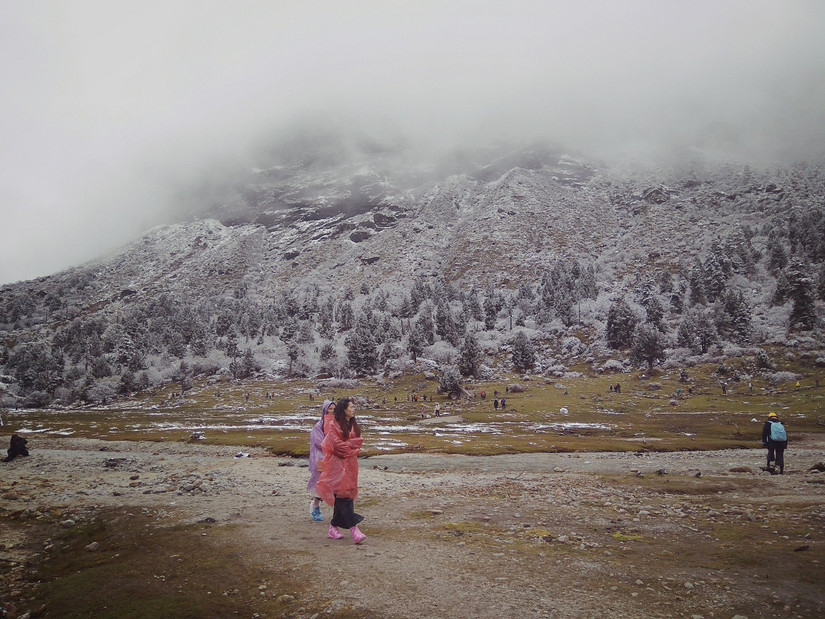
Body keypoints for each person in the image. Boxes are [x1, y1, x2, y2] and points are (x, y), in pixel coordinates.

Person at [316, 398, 366, 544]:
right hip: (336, 466)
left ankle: (333, 527)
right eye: (351, 407)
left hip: (350, 465)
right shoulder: (332, 425)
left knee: (345, 494)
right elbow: (336, 446)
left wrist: (350, 446)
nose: (353, 409)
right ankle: (354, 529)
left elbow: (359, 441)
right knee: (343, 496)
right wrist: (351, 446)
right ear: (344, 409)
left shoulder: (352, 425)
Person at [307, 400, 335, 521]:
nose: (332, 411)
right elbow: (318, 442)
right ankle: (315, 505)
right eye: (330, 409)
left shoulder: (337, 424)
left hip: (333, 457)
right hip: (320, 458)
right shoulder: (318, 426)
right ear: (325, 410)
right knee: (320, 483)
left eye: (334, 409)